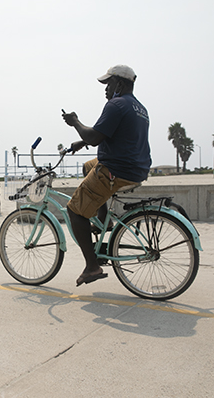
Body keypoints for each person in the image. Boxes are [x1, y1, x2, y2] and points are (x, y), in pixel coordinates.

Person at [62, 64, 151, 287]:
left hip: (115, 171)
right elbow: (107, 133)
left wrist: (75, 123)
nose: (105, 89)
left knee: (74, 211)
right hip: (135, 168)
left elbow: (94, 137)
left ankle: (92, 266)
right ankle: (104, 221)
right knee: (87, 167)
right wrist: (82, 142)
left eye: (108, 84)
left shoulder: (116, 104)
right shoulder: (138, 107)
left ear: (120, 84)